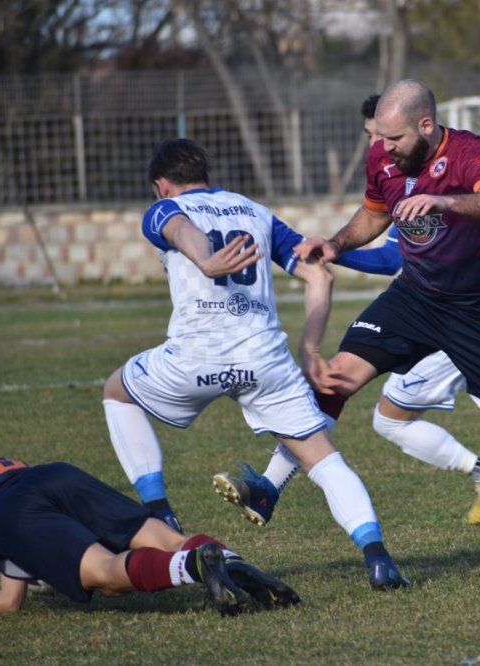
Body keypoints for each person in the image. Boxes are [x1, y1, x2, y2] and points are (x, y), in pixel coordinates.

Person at [221, 94, 480, 532]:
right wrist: (335, 245)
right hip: (416, 300)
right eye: (377, 135)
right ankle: (270, 487)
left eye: (392, 136)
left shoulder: (469, 151)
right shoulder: (382, 158)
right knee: (337, 376)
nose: (382, 145)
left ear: (426, 125)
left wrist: (446, 202)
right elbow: (374, 215)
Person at [101, 138, 407, 590]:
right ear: (206, 174)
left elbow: (178, 227)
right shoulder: (255, 211)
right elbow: (319, 274)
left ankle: (158, 511)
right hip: (265, 360)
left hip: (194, 358)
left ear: (161, 186)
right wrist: (310, 347)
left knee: (116, 391)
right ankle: (378, 558)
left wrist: (205, 260)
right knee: (324, 459)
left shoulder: (162, 208)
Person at [0, 429, 299, 615]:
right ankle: (232, 563)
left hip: (8, 511)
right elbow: (11, 596)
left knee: (107, 576)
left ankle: (195, 566)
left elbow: (9, 601)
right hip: (51, 475)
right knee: (165, 537)